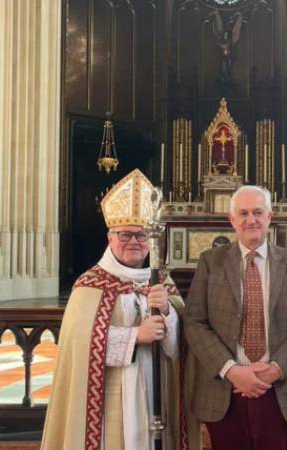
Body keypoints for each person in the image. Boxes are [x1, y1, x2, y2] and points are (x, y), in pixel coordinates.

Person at [41, 169, 197, 450]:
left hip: (158, 390)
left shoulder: (161, 281)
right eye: (125, 234)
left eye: (141, 235)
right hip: (111, 395)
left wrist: (168, 312)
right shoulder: (90, 284)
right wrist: (136, 336)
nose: (134, 242)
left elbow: (184, 343)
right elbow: (79, 344)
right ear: (110, 238)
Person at [185, 185, 287, 450]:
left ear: (269, 217)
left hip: (279, 389)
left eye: (258, 212)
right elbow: (195, 323)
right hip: (225, 389)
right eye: (244, 213)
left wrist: (275, 369)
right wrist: (231, 370)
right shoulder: (210, 262)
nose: (251, 220)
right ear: (232, 219)